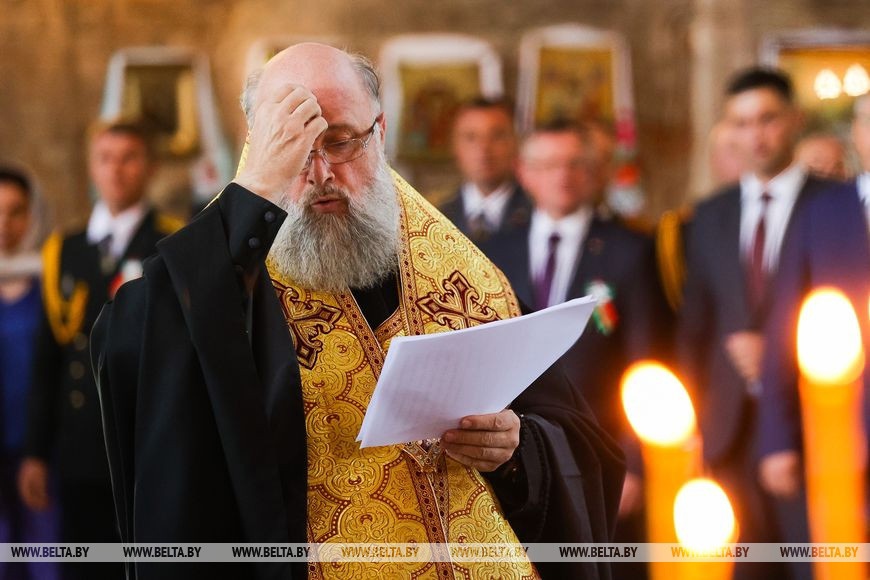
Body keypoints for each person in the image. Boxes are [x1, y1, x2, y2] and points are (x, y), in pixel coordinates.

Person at [92, 44, 625, 580]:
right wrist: (254, 193)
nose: (320, 172)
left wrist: (517, 450)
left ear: (381, 131)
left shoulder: (459, 270)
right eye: (293, 147)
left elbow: (575, 436)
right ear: (259, 148)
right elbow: (128, 351)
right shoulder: (226, 269)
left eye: (341, 142)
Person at [485, 121, 668, 580]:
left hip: (601, 449)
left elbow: (648, 364)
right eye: (547, 165)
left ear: (596, 171)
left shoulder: (632, 249)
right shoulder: (491, 249)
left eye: (575, 164)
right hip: (520, 451)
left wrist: (639, 464)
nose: (561, 176)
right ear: (524, 173)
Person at [677, 68, 837, 580]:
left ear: (793, 120)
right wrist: (691, 427)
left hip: (812, 430)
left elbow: (850, 315)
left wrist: (775, 352)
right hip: (728, 434)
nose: (756, 135)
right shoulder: (709, 215)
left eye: (767, 119)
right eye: (742, 123)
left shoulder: (835, 206)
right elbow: (693, 331)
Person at [18, 120, 181, 580]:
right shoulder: (64, 249)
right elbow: (49, 359)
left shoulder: (172, 243)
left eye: (129, 158)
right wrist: (36, 451)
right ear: (92, 166)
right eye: (105, 159)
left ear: (150, 167)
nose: (116, 171)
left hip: (142, 443)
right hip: (78, 447)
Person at [757, 93, 870, 506]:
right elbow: (785, 323)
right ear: (858, 134)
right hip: (836, 435)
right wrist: (777, 439)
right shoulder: (822, 213)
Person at [0, 167, 60, 580]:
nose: (4, 224)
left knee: (46, 562)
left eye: (15, 211)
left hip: (42, 451)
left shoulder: (51, 282)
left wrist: (40, 451)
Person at [439, 97, 531, 243]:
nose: (483, 149)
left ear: (516, 142)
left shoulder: (538, 215)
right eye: (471, 137)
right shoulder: (435, 217)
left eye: (497, 136)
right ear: (454, 146)